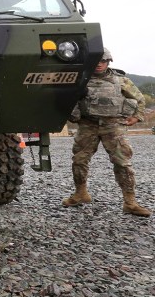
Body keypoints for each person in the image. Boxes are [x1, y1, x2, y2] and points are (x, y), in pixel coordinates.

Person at [63, 47, 150, 217]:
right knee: (79, 160)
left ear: (108, 61)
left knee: (122, 163)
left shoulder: (121, 81)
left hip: (113, 126)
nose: (99, 64)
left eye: (103, 61)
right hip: (88, 125)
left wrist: (137, 117)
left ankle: (130, 202)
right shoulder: (80, 80)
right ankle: (81, 194)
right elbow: (66, 101)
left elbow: (139, 99)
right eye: (96, 61)